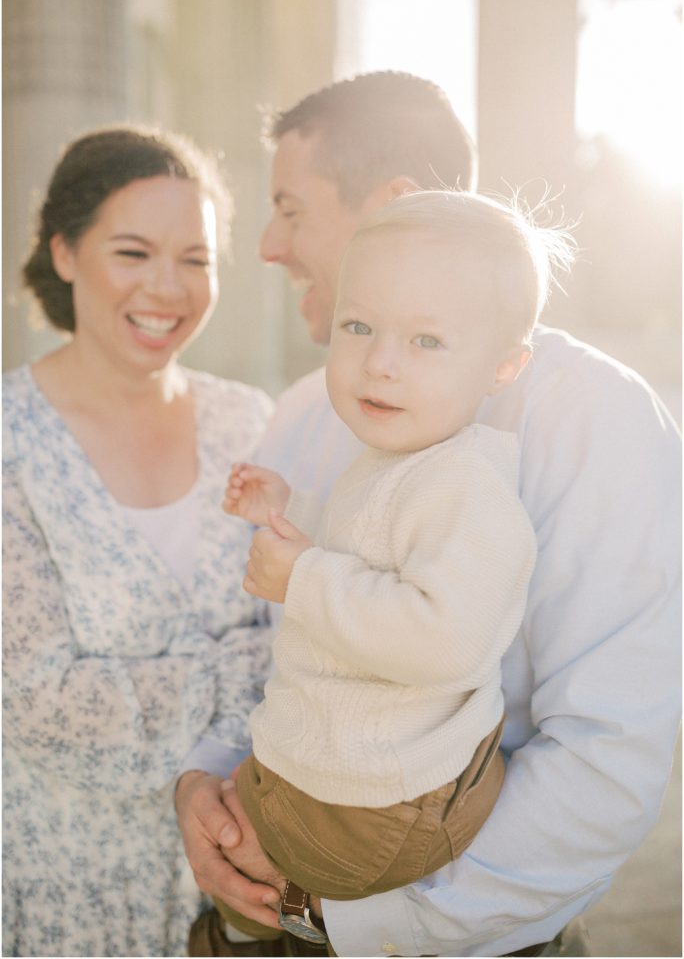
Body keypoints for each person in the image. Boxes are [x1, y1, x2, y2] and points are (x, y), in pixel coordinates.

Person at [177, 72, 681, 958]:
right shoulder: (301, 412)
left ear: (400, 205)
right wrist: (207, 787)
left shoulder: (590, 418)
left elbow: (606, 754)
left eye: (290, 209)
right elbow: (278, 659)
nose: (263, 245)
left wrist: (347, 919)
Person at [217, 191, 566, 944]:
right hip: (356, 782)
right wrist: (288, 509)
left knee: (235, 844)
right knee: (232, 816)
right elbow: (364, 546)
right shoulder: (399, 461)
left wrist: (300, 576)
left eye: (427, 342)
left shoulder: (469, 489)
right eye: (359, 326)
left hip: (378, 805)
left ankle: (244, 929)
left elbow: (445, 639)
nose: (379, 362)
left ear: (503, 366)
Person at [2, 125, 274, 957]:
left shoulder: (252, 422)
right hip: (67, 890)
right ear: (65, 252)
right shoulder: (8, 440)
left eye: (196, 259)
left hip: (238, 889)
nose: (169, 287)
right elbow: (41, 701)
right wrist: (239, 686)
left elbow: (307, 641)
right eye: (133, 252)